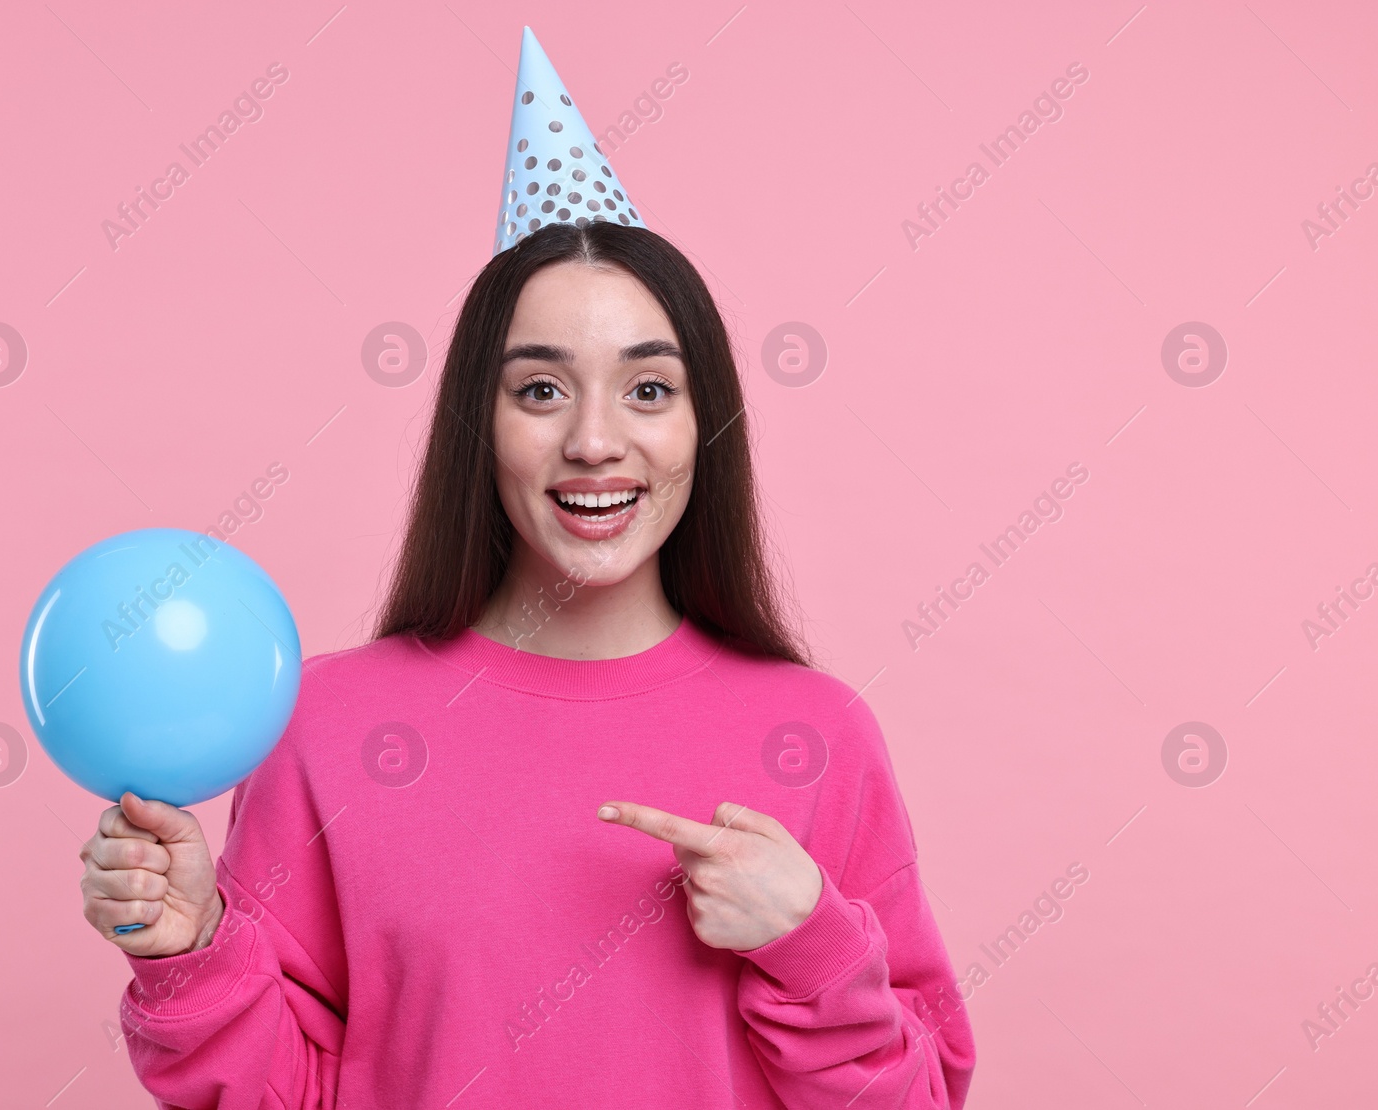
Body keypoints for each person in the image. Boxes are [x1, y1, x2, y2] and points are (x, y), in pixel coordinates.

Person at [78, 27, 973, 1108]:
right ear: (478, 425)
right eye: (540, 389)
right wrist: (192, 948)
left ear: (706, 427)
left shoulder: (819, 736)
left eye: (648, 390)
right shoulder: (323, 726)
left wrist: (812, 944)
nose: (595, 441)